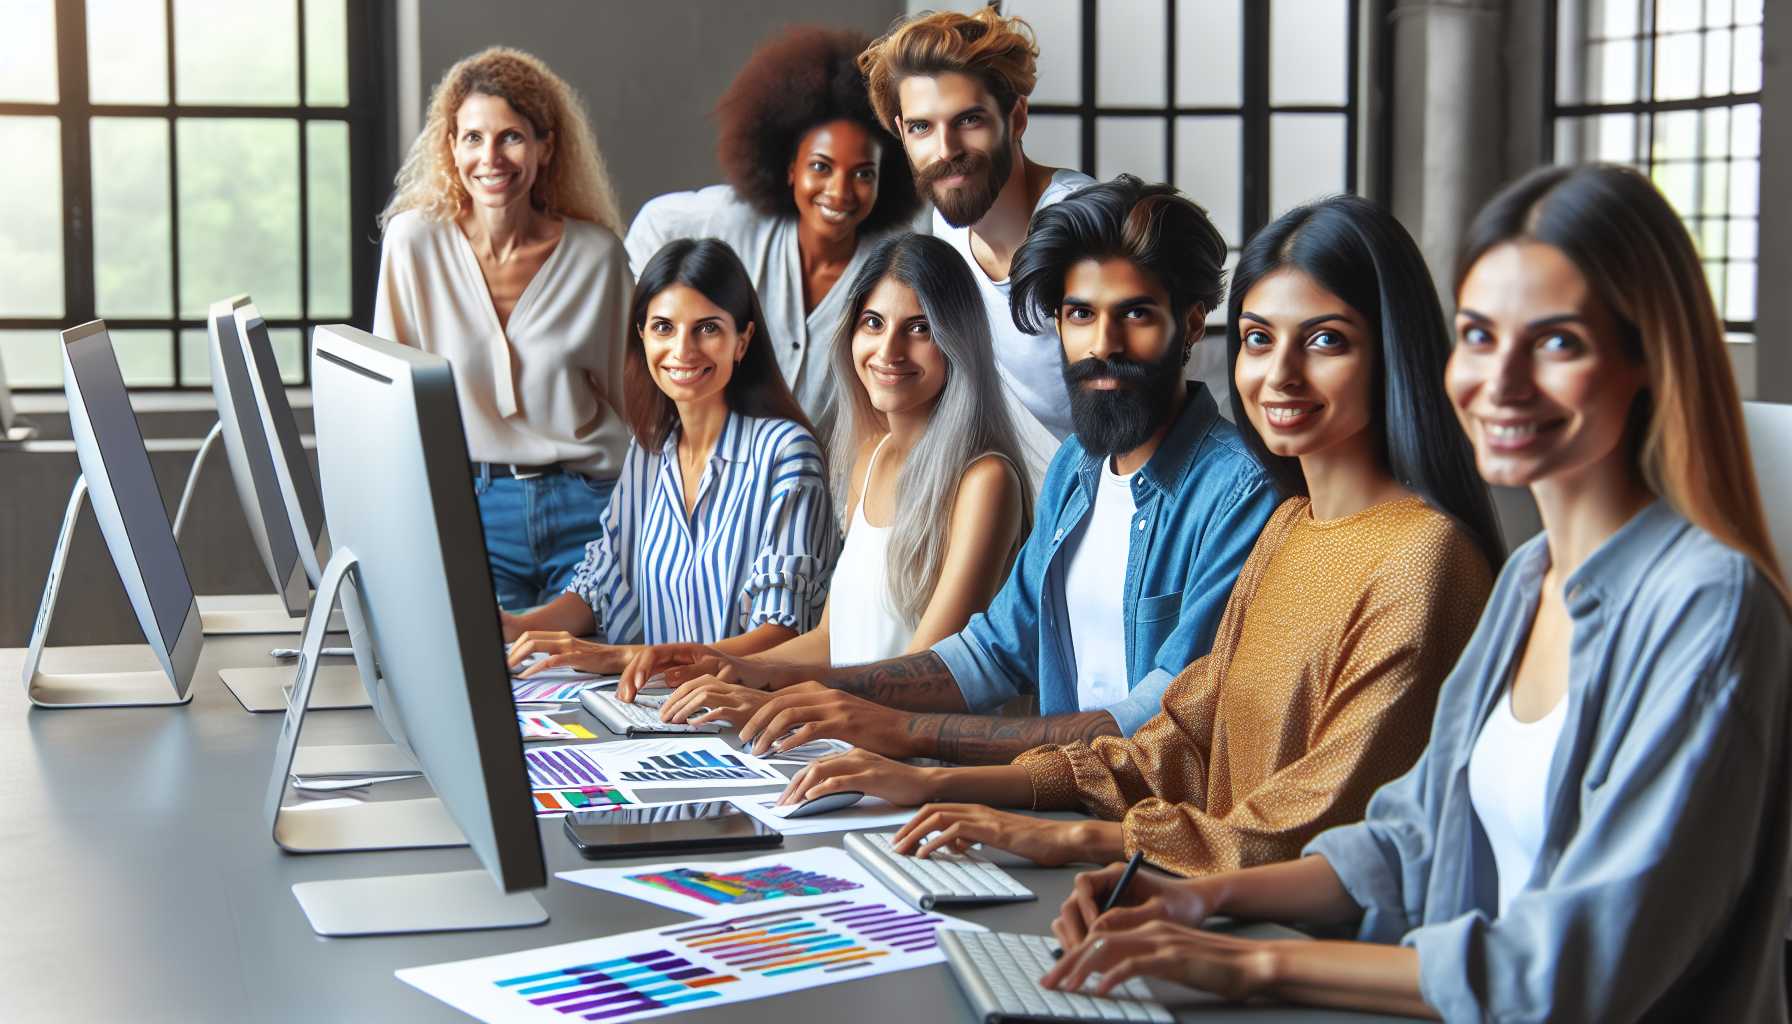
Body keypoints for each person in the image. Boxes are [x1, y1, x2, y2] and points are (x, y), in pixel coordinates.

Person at [1040, 165, 1792, 1021]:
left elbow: (1574, 968)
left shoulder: (1709, 605)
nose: (1500, 382)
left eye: (1557, 343)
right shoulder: (1530, 579)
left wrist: (1250, 967)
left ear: (1650, 361)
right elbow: (1412, 841)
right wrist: (1200, 902)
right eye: (1480, 335)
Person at [779, 195, 1504, 874]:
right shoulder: (1287, 524)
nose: (1280, 374)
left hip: (1259, 923)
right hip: (1174, 885)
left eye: (1324, 340)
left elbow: (1305, 826)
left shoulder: (1412, 555)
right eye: (1258, 338)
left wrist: (1065, 829)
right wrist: (923, 772)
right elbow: (1174, 744)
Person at [623, 177, 1279, 766]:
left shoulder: (1239, 490)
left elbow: (1157, 720)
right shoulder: (1076, 471)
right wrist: (765, 677)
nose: (1102, 344)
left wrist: (904, 737)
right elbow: (990, 652)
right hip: (1053, 806)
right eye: (1080, 314)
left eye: (1135, 314)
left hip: (1140, 835)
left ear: (1191, 323)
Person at [642, 234, 1031, 729]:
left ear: (958, 340)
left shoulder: (986, 480)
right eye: (873, 323)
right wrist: (732, 667)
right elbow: (833, 637)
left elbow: (929, 675)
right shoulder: (869, 457)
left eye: (919, 328)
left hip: (923, 764)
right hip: (842, 739)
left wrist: (772, 696)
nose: (888, 349)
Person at [502, 239, 841, 675]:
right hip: (659, 707)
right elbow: (599, 587)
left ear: (743, 340)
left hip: (748, 714)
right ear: (641, 335)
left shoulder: (787, 454)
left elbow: (782, 634)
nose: (683, 350)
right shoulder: (649, 452)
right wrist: (516, 626)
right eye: (664, 327)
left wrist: (630, 657)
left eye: (708, 328)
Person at [374, 47, 632, 611]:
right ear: (451, 146)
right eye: (472, 137)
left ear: (546, 146)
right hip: (470, 506)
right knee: (488, 687)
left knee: (589, 685)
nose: (490, 157)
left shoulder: (597, 256)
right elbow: (391, 408)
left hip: (590, 505)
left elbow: (631, 402)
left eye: (511, 137)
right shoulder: (413, 243)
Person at [625, 27, 920, 426]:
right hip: (726, 467)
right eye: (821, 167)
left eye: (863, 174)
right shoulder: (730, 222)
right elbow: (654, 224)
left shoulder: (893, 265)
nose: (840, 192)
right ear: (789, 169)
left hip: (834, 478)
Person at [858, 6, 1096, 485]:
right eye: (923, 127)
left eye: (968, 120)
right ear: (903, 133)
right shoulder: (948, 224)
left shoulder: (1083, 224)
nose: (945, 150)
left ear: (1017, 117)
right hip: (1018, 498)